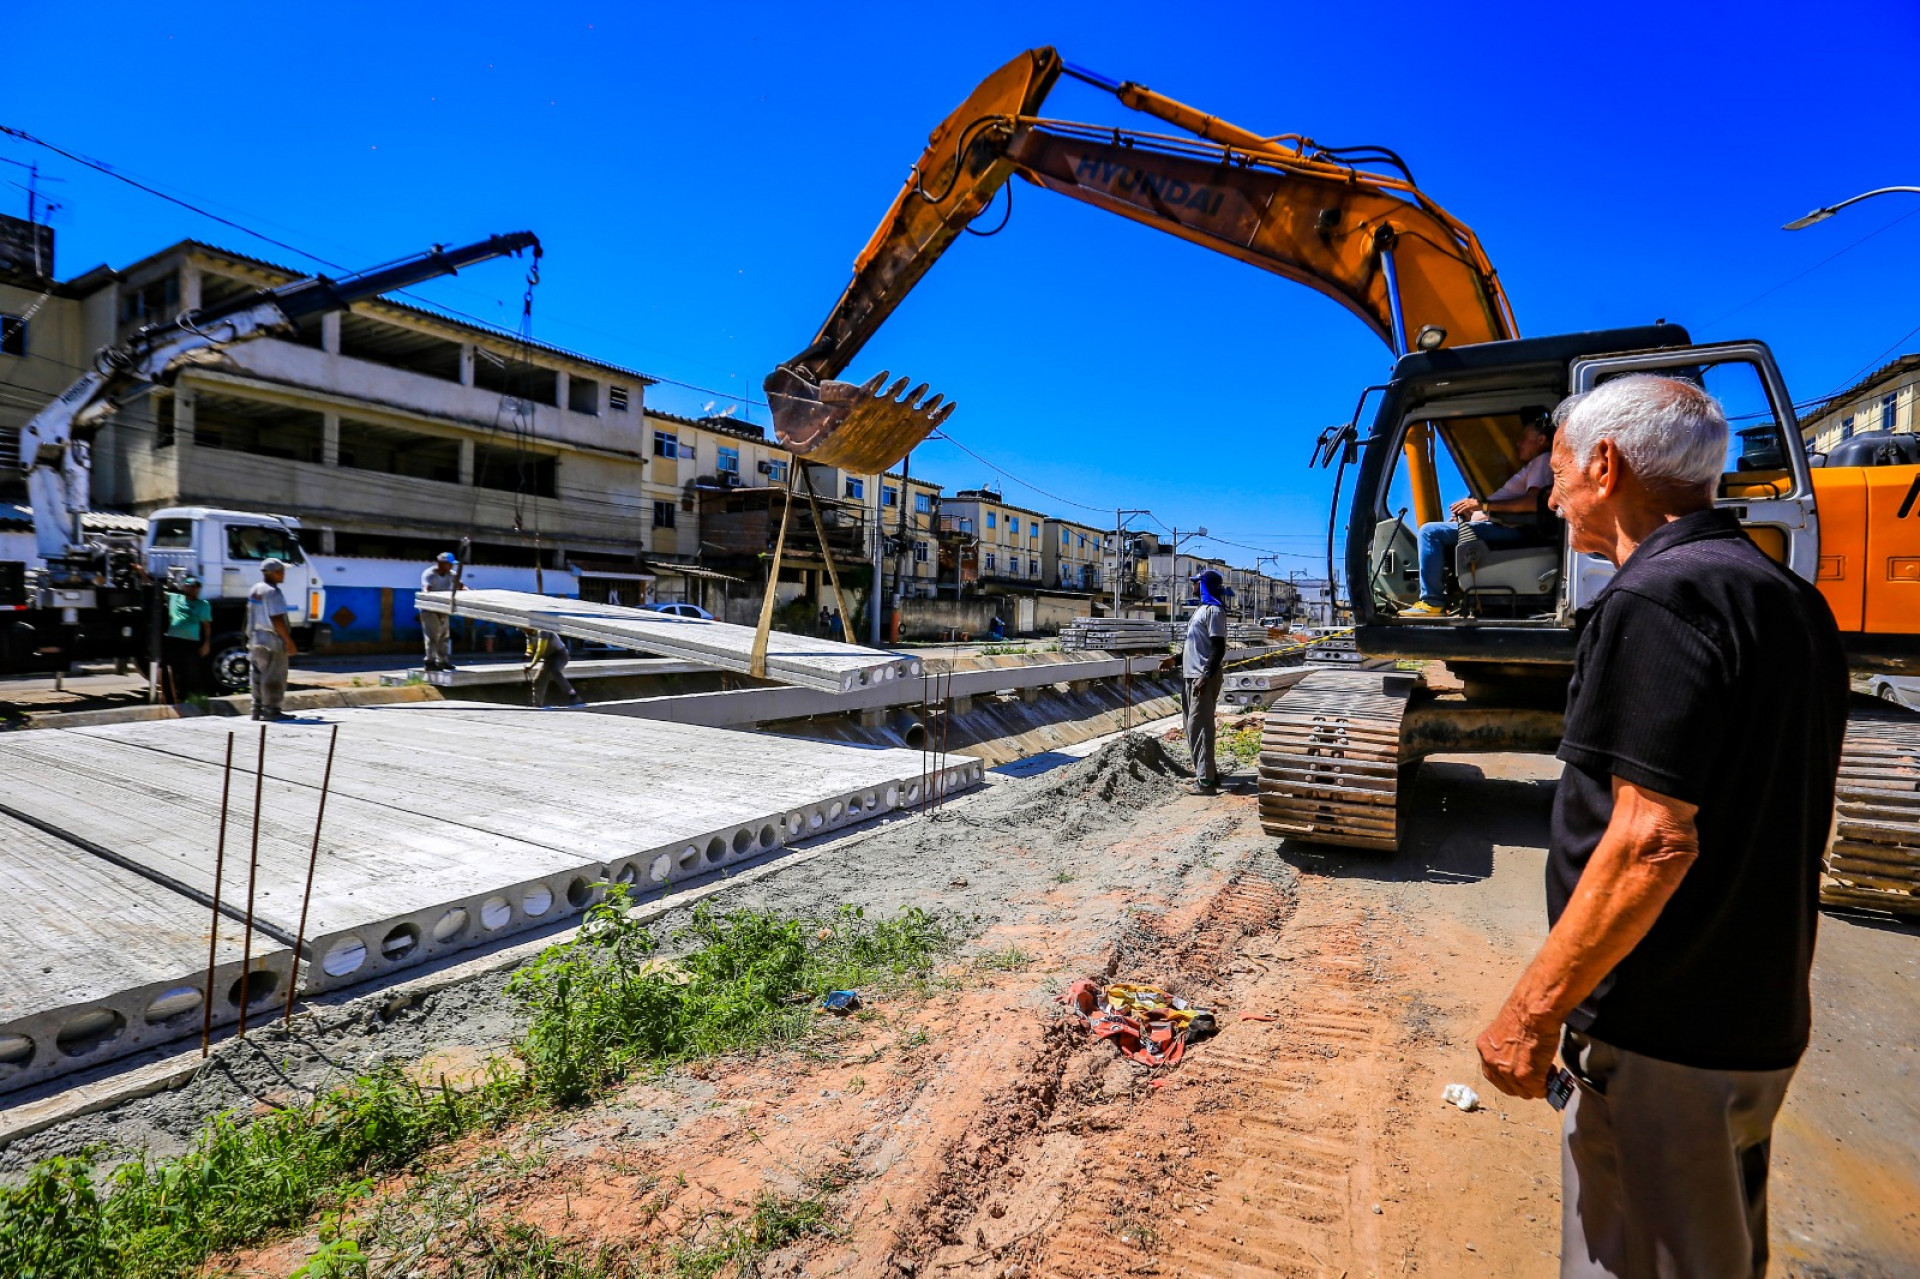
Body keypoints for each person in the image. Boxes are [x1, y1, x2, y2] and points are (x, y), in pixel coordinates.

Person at [1474, 376, 1848, 1279]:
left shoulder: (1656, 601)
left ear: (1605, 466)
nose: (1551, 497)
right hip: (1749, 1015)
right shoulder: (1788, 599)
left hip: (1662, 1033)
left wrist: (1531, 1011)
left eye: (1559, 472)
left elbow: (1652, 840)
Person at [1402, 417, 1554, 616]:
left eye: (1524, 438)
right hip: (1502, 526)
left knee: (1430, 532)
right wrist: (1475, 513)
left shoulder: (1542, 461)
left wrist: (1482, 506)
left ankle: (1432, 601)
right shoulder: (1535, 464)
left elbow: (1534, 503)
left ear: (1541, 440)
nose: (1518, 443)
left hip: (1512, 529)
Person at [1181, 569, 1229, 795]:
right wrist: (1175, 659)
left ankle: (1205, 783)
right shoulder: (1200, 610)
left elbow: (1218, 647)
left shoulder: (1214, 611)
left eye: (1196, 582)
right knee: (1192, 728)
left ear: (1204, 585)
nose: (1193, 585)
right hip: (1191, 675)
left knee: (1199, 728)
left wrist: (1205, 675)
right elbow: (1197, 646)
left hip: (1202, 677)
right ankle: (1210, 775)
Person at [248, 559, 297, 721]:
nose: (283, 574)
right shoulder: (273, 592)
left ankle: (256, 709)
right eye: (281, 571)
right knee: (274, 675)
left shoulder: (255, 589)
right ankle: (271, 710)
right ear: (273, 573)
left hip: (256, 638)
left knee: (257, 674)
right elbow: (277, 619)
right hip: (271, 639)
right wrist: (289, 641)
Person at [161, 575, 212, 701]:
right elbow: (155, 591)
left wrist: (206, 643)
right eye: (191, 587)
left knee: (189, 670)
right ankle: (169, 696)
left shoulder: (203, 605)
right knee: (170, 668)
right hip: (173, 639)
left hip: (191, 641)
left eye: (197, 587)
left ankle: (185, 696)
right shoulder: (174, 598)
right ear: (184, 587)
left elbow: (206, 625)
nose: (194, 590)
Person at [420, 552, 463, 671]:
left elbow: (461, 585)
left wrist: (469, 593)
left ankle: (443, 661)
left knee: (444, 636)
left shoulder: (451, 574)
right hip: (429, 609)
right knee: (432, 637)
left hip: (443, 608)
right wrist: (433, 603)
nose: (452, 566)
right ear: (441, 563)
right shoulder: (430, 574)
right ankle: (430, 661)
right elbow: (426, 589)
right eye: (450, 564)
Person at [525, 628, 582, 707]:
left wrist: (531, 665)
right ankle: (537, 705)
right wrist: (528, 653)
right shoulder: (529, 635)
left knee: (554, 671)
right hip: (548, 658)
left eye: (524, 628)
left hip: (560, 654)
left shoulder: (543, 631)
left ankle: (573, 695)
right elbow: (530, 647)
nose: (523, 631)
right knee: (538, 680)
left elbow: (540, 651)